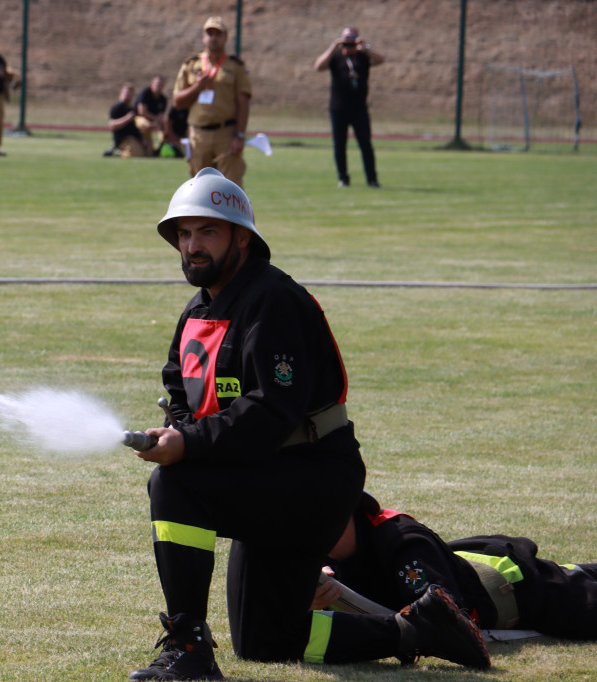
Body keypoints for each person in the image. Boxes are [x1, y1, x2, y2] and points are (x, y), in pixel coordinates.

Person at [128, 168, 489, 680]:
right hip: (266, 478)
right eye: (183, 234)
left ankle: (187, 646)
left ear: (242, 237)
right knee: (266, 640)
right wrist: (179, 427)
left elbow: (271, 412)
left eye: (207, 231)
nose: (192, 246)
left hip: (312, 476)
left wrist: (186, 443)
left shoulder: (274, 301)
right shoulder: (198, 311)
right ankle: (417, 630)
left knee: (173, 483)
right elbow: (179, 390)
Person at [306, 491, 597, 640]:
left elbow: (444, 623)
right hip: (479, 569)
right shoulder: (311, 558)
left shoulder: (403, 542)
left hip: (528, 592)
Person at [171, 16, 252, 186]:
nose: (213, 37)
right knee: (200, 190)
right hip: (198, 135)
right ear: (203, 37)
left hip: (226, 134)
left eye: (218, 34)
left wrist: (240, 135)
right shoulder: (191, 65)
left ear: (225, 37)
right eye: (210, 33)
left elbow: (243, 102)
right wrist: (197, 87)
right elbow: (177, 102)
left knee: (231, 188)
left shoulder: (235, 66)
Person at [313, 27, 385, 188]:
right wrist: (334, 46)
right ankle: (343, 178)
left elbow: (381, 60)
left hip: (359, 109)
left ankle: (372, 179)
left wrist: (366, 47)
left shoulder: (363, 56)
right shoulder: (336, 56)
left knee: (366, 145)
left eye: (352, 38)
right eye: (347, 38)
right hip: (338, 108)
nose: (349, 42)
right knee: (339, 145)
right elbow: (318, 66)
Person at [108, 83, 147, 158]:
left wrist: (141, 140)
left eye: (130, 94)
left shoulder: (130, 109)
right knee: (135, 154)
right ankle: (119, 153)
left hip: (132, 137)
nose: (127, 96)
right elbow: (112, 124)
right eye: (125, 93)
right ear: (120, 94)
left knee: (147, 152)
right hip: (123, 138)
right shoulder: (117, 108)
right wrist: (126, 119)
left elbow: (134, 128)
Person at [135, 75, 168, 157]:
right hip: (139, 119)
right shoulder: (146, 93)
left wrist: (161, 125)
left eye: (161, 84)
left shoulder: (163, 99)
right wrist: (155, 119)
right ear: (152, 84)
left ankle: (160, 148)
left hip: (153, 122)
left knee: (163, 134)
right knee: (147, 124)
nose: (158, 86)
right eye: (157, 84)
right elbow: (141, 111)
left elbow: (161, 116)